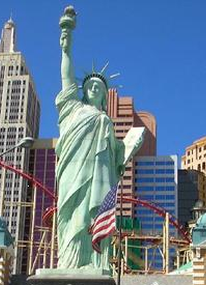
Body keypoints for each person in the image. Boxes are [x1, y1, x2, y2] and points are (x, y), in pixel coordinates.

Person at [55, 6, 126, 270]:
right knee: (71, 217)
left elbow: (116, 158)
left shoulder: (104, 120)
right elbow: (66, 74)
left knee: (93, 215)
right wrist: (66, 45)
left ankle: (97, 261)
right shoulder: (73, 107)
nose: (94, 88)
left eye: (99, 87)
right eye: (90, 85)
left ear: (105, 95)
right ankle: (69, 263)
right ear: (84, 90)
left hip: (98, 175)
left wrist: (125, 151)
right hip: (72, 172)